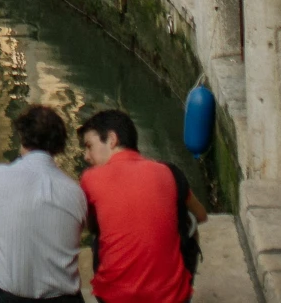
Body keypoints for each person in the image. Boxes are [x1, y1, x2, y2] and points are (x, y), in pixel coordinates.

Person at [0, 104, 89, 303]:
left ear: (22, 138)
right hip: (65, 299)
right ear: (58, 147)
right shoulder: (75, 192)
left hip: (8, 298)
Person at [77, 107, 205, 303]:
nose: (87, 156)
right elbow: (201, 215)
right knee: (189, 221)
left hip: (114, 298)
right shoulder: (168, 171)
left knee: (99, 235)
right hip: (171, 298)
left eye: (89, 146)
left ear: (112, 139)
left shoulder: (90, 178)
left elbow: (90, 226)